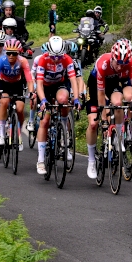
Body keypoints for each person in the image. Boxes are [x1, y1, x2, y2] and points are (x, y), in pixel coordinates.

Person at [84, 39, 132, 180]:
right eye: (118, 62)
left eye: (124, 63)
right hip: (96, 86)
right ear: (112, 57)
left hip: (113, 84)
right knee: (93, 124)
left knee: (117, 103)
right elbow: (101, 95)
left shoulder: (130, 63)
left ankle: (118, 138)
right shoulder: (103, 64)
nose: (120, 67)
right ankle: (91, 160)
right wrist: (103, 117)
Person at [35, 36, 80, 174]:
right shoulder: (43, 60)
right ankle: (41, 160)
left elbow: (73, 80)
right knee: (45, 121)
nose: (56, 59)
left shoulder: (67, 59)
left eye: (59, 56)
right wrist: (43, 100)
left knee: (63, 100)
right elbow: (39, 84)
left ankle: (64, 132)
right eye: (53, 56)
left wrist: (77, 99)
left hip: (60, 84)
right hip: (46, 88)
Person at [0, 39, 34, 151]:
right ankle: (1, 133)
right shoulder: (1, 61)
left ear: (18, 53)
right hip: (3, 84)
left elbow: (30, 80)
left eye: (14, 53)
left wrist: (31, 92)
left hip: (17, 84)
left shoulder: (23, 61)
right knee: (4, 102)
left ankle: (18, 134)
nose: (11, 56)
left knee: (20, 109)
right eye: (8, 53)